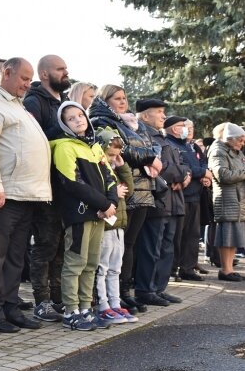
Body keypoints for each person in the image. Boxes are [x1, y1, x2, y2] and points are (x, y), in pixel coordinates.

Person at [0, 57, 51, 333]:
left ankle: (10, 308)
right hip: (1, 194)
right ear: (6, 72)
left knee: (15, 258)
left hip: (25, 193)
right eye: (24, 78)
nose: (28, 84)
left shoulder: (19, 105)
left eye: (30, 79)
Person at [88, 85, 160, 314]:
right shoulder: (102, 120)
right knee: (118, 247)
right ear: (105, 100)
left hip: (143, 188)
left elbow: (151, 146)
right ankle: (110, 297)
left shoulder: (132, 123)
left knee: (129, 246)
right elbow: (123, 151)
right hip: (123, 189)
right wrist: (149, 158)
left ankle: (123, 294)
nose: (122, 102)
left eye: (124, 98)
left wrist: (149, 156)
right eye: (117, 98)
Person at [50, 102, 118, 330]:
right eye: (71, 118)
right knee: (75, 262)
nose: (79, 120)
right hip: (79, 214)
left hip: (100, 213)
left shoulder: (95, 148)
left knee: (91, 263)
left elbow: (110, 177)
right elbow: (72, 183)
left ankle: (86, 309)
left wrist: (111, 203)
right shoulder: (64, 147)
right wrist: (102, 203)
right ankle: (71, 311)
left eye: (80, 115)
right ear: (63, 124)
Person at [23, 55, 71, 323]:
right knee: (45, 245)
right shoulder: (34, 101)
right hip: (45, 186)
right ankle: (41, 301)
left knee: (61, 245)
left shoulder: (63, 102)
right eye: (60, 69)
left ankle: (57, 298)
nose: (66, 72)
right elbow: (37, 141)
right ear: (44, 73)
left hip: (64, 186)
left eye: (65, 68)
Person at [133, 100, 189, 307]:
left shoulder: (163, 137)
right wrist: (179, 174)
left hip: (173, 201)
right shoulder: (143, 135)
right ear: (145, 116)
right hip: (158, 199)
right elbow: (157, 168)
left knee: (167, 247)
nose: (163, 116)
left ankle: (159, 288)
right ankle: (145, 289)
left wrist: (185, 175)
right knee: (152, 247)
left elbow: (182, 166)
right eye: (159, 112)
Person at [94, 127, 138, 324]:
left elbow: (128, 190)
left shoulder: (114, 167)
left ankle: (115, 303)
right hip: (105, 226)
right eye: (111, 154)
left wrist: (122, 167)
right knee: (102, 267)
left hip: (119, 225)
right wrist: (113, 193)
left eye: (117, 155)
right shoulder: (97, 167)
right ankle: (102, 304)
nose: (113, 158)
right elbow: (98, 192)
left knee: (115, 268)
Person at [166, 118, 211, 281]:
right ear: (173, 129)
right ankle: (172, 269)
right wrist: (202, 173)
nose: (187, 130)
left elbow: (202, 162)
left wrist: (205, 175)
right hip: (181, 196)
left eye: (189, 127)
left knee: (192, 235)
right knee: (177, 235)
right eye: (183, 127)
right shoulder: (171, 144)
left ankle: (188, 268)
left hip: (195, 195)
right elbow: (184, 166)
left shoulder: (190, 145)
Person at [207, 122, 245, 281]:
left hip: (238, 198)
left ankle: (229, 269)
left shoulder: (237, 152)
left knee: (234, 236)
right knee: (226, 235)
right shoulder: (217, 150)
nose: (242, 143)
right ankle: (225, 270)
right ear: (230, 139)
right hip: (226, 198)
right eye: (240, 140)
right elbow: (223, 174)